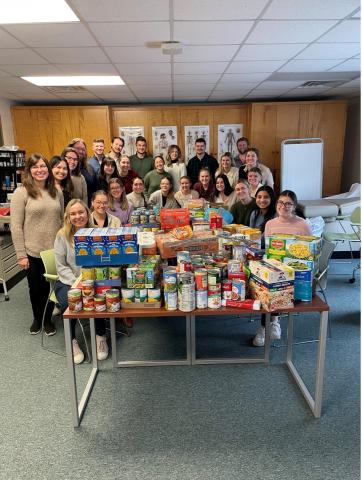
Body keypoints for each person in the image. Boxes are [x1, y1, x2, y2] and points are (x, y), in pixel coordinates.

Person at [11, 153, 64, 336]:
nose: (40, 170)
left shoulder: (56, 191)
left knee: (52, 286)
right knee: (36, 288)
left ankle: (48, 319)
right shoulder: (21, 193)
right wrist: (21, 255)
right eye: (35, 167)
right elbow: (16, 226)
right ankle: (37, 318)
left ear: (48, 170)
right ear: (29, 171)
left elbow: (62, 220)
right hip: (32, 251)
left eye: (43, 166)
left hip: (55, 249)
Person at [252, 190, 313, 348]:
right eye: (280, 202)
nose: (283, 206)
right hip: (276, 271)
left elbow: (309, 252)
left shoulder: (303, 225)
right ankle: (270, 323)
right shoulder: (270, 224)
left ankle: (270, 324)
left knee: (274, 286)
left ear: (294, 206)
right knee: (264, 283)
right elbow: (266, 248)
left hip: (296, 273)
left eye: (288, 203)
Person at [54, 199, 108, 364]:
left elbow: (104, 258)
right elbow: (60, 266)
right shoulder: (62, 235)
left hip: (94, 278)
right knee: (68, 302)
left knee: (98, 298)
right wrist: (77, 282)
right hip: (67, 280)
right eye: (73, 213)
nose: (78, 216)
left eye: (81, 212)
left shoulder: (98, 232)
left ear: (87, 212)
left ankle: (100, 336)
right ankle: (72, 341)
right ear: (68, 216)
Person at [68, 138, 99, 205]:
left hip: (89, 206)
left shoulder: (89, 168)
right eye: (77, 148)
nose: (81, 151)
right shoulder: (64, 168)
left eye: (83, 149)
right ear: (70, 149)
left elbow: (96, 189)